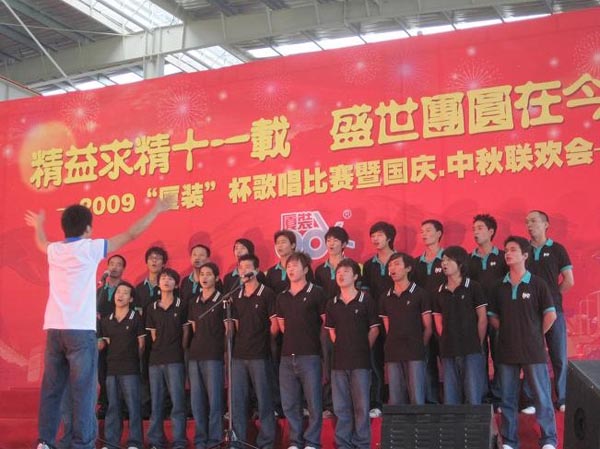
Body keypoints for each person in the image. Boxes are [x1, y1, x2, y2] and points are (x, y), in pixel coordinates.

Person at [25, 200, 167, 449]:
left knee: (52, 389)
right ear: (88, 228)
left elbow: (41, 243)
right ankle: (82, 444)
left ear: (64, 227)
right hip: (80, 331)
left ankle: (45, 442)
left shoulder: (55, 250)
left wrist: (38, 225)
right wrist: (157, 209)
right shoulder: (90, 248)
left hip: (55, 329)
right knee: (84, 390)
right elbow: (131, 234)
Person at [488, 236, 558, 449]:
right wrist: (510, 332)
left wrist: (534, 335)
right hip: (507, 350)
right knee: (508, 398)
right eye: (506, 250)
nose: (507, 253)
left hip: (533, 350)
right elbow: (493, 317)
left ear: (525, 255)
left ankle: (549, 439)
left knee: (542, 397)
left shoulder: (538, 284)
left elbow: (551, 315)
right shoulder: (498, 286)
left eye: (513, 250)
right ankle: (510, 441)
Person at [522, 210, 574, 413]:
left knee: (559, 355)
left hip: (554, 311)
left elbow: (569, 280)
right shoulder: (524, 250)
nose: (530, 225)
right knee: (531, 355)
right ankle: (530, 399)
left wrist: (552, 296)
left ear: (546, 224)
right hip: (529, 312)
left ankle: (562, 398)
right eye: (527, 222)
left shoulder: (557, 249)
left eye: (534, 221)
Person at [326, 258, 380, 449]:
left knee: (361, 406)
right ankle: (343, 443)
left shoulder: (366, 300)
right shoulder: (332, 303)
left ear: (356, 276)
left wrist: (362, 347)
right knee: (341, 407)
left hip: (360, 362)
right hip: (339, 361)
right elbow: (331, 331)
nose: (341, 275)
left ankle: (362, 443)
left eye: (346, 272)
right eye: (339, 272)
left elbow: (374, 329)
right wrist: (343, 345)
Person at [277, 252, 326, 449]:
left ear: (305, 269)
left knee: (313, 402)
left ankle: (312, 442)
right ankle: (295, 441)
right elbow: (282, 326)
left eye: (295, 266)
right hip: (287, 356)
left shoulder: (317, 292)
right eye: (288, 266)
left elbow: (325, 323)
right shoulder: (282, 296)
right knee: (290, 404)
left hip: (310, 355)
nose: (291, 269)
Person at [229, 254, 277, 449]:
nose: (244, 270)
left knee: (264, 400)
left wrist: (263, 342)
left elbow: (274, 326)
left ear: (256, 270)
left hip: (260, 355)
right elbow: (235, 326)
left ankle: (266, 443)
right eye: (241, 267)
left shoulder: (267, 293)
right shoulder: (235, 295)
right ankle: (237, 442)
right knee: (238, 402)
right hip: (239, 356)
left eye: (248, 266)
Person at [433, 246, 487, 405]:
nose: (444, 263)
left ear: (460, 263)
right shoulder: (439, 291)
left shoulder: (473, 287)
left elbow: (482, 317)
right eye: (443, 260)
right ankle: (453, 422)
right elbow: (438, 320)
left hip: (471, 348)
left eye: (449, 260)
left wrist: (478, 341)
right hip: (448, 349)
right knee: (451, 396)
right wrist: (445, 338)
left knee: (473, 394)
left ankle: (473, 421)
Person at [145, 268, 190, 449]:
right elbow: (153, 336)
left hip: (176, 359)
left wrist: (179, 350)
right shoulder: (152, 307)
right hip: (155, 360)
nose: (166, 281)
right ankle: (156, 441)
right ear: (158, 283)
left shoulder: (182, 305)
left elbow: (186, 332)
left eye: (170, 278)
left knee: (178, 403)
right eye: (163, 278)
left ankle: (179, 441)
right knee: (156, 403)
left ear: (176, 284)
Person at [379, 253, 432, 405]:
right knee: (396, 398)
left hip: (415, 351)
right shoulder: (385, 297)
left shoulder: (420, 293)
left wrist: (420, 346)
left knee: (417, 397)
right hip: (393, 352)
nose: (392, 268)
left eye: (397, 264)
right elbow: (388, 328)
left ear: (408, 268)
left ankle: (418, 421)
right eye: (390, 265)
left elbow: (428, 327)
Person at [99, 281, 145, 449]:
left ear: (131, 299)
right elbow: (103, 345)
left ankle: (135, 443)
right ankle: (111, 443)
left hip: (130, 370)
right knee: (113, 407)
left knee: (133, 407)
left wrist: (135, 362)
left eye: (125, 293)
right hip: (112, 370)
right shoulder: (106, 321)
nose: (120, 295)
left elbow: (142, 345)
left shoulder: (136, 318)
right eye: (118, 292)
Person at [469, 214, 507, 408]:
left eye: (480, 228)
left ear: (491, 231)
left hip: (499, 315)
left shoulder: (503, 257)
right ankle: (483, 397)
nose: (476, 232)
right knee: (479, 355)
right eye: (474, 229)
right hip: (476, 317)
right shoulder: (468, 260)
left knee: (501, 356)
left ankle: (499, 397)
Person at [187, 262, 225, 449]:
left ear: (216, 278)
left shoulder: (223, 300)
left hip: (214, 355)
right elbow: (194, 328)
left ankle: (215, 440)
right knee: (197, 400)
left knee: (215, 400)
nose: (204, 277)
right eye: (202, 274)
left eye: (209, 274)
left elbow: (228, 330)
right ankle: (200, 440)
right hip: (195, 355)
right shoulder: (193, 302)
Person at [314, 226, 349, 418]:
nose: (331, 243)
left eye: (335, 240)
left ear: (344, 244)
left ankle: (351, 402)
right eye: (328, 240)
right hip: (327, 323)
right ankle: (329, 404)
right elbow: (318, 299)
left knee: (350, 363)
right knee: (328, 363)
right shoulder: (320, 270)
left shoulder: (352, 266)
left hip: (350, 322)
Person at [361, 221, 395, 417]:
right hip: (374, 320)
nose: (375, 239)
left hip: (397, 319)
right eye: (373, 236)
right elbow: (365, 295)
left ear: (389, 237)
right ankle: (377, 402)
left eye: (379, 235)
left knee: (400, 363)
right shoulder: (369, 265)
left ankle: (403, 401)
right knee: (374, 362)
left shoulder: (400, 260)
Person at [413, 219, 445, 404]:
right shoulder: (416, 263)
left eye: (428, 230)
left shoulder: (448, 259)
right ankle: (431, 401)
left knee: (449, 361)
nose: (424, 234)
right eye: (422, 231)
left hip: (445, 318)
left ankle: (452, 401)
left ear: (439, 233)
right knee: (427, 360)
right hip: (423, 320)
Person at [96, 254, 127, 419]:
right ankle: (104, 404)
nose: (114, 267)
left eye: (119, 264)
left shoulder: (126, 291)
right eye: (112, 264)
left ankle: (121, 406)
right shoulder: (99, 291)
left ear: (123, 269)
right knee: (103, 373)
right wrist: (99, 337)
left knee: (120, 373)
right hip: (101, 339)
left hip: (120, 338)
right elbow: (94, 317)